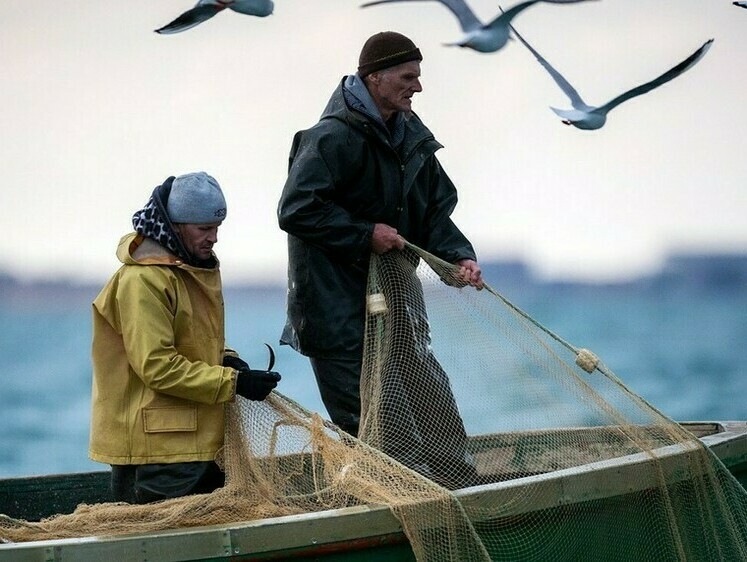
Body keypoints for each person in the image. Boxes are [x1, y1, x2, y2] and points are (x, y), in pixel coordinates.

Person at [277, 32, 484, 489]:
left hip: (393, 307)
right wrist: (364, 234)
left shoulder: (411, 138)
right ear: (376, 77)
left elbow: (432, 213)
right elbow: (295, 209)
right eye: (409, 77)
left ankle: (457, 490)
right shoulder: (330, 138)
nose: (418, 87)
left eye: (419, 77)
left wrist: (459, 257)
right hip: (336, 314)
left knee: (431, 399)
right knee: (377, 424)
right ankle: (404, 504)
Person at [89, 171, 282, 504]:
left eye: (217, 228)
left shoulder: (188, 268)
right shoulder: (144, 281)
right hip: (155, 453)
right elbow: (157, 366)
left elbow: (192, 341)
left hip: (190, 440)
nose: (214, 238)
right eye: (204, 229)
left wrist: (228, 359)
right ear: (176, 226)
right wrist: (234, 383)